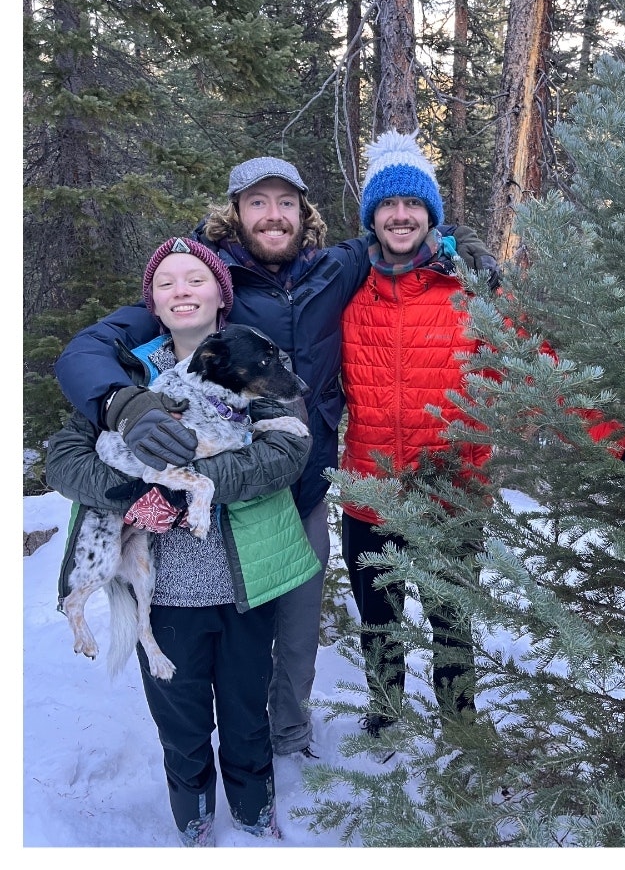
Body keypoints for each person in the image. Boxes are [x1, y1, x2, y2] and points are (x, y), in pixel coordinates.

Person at [52, 156, 494, 760]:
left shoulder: (335, 269)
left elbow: (403, 236)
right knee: (235, 633)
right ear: (234, 213)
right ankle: (224, 752)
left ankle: (287, 741)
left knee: (298, 635)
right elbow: (92, 345)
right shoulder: (206, 281)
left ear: (304, 213)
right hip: (229, 493)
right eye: (257, 202)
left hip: (306, 487)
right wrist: (119, 401)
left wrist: (466, 247)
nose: (273, 215)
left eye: (286, 202)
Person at [340, 131, 625, 740]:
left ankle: (460, 723)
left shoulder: (475, 294)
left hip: (450, 492)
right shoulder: (347, 295)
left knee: (451, 623)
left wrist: (622, 443)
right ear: (372, 216)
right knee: (378, 619)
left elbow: (539, 370)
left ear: (430, 216)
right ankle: (385, 713)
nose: (400, 216)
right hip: (369, 494)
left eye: (413, 206)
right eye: (388, 206)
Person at [48, 238, 321, 846]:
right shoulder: (121, 374)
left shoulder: (258, 363)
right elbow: (64, 461)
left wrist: (186, 484)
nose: (181, 292)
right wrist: (129, 487)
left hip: (247, 577)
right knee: (180, 716)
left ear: (220, 296)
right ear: (152, 300)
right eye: (166, 283)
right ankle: (193, 812)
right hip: (163, 587)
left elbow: (287, 452)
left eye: (195, 279)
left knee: (249, 711)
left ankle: (253, 809)